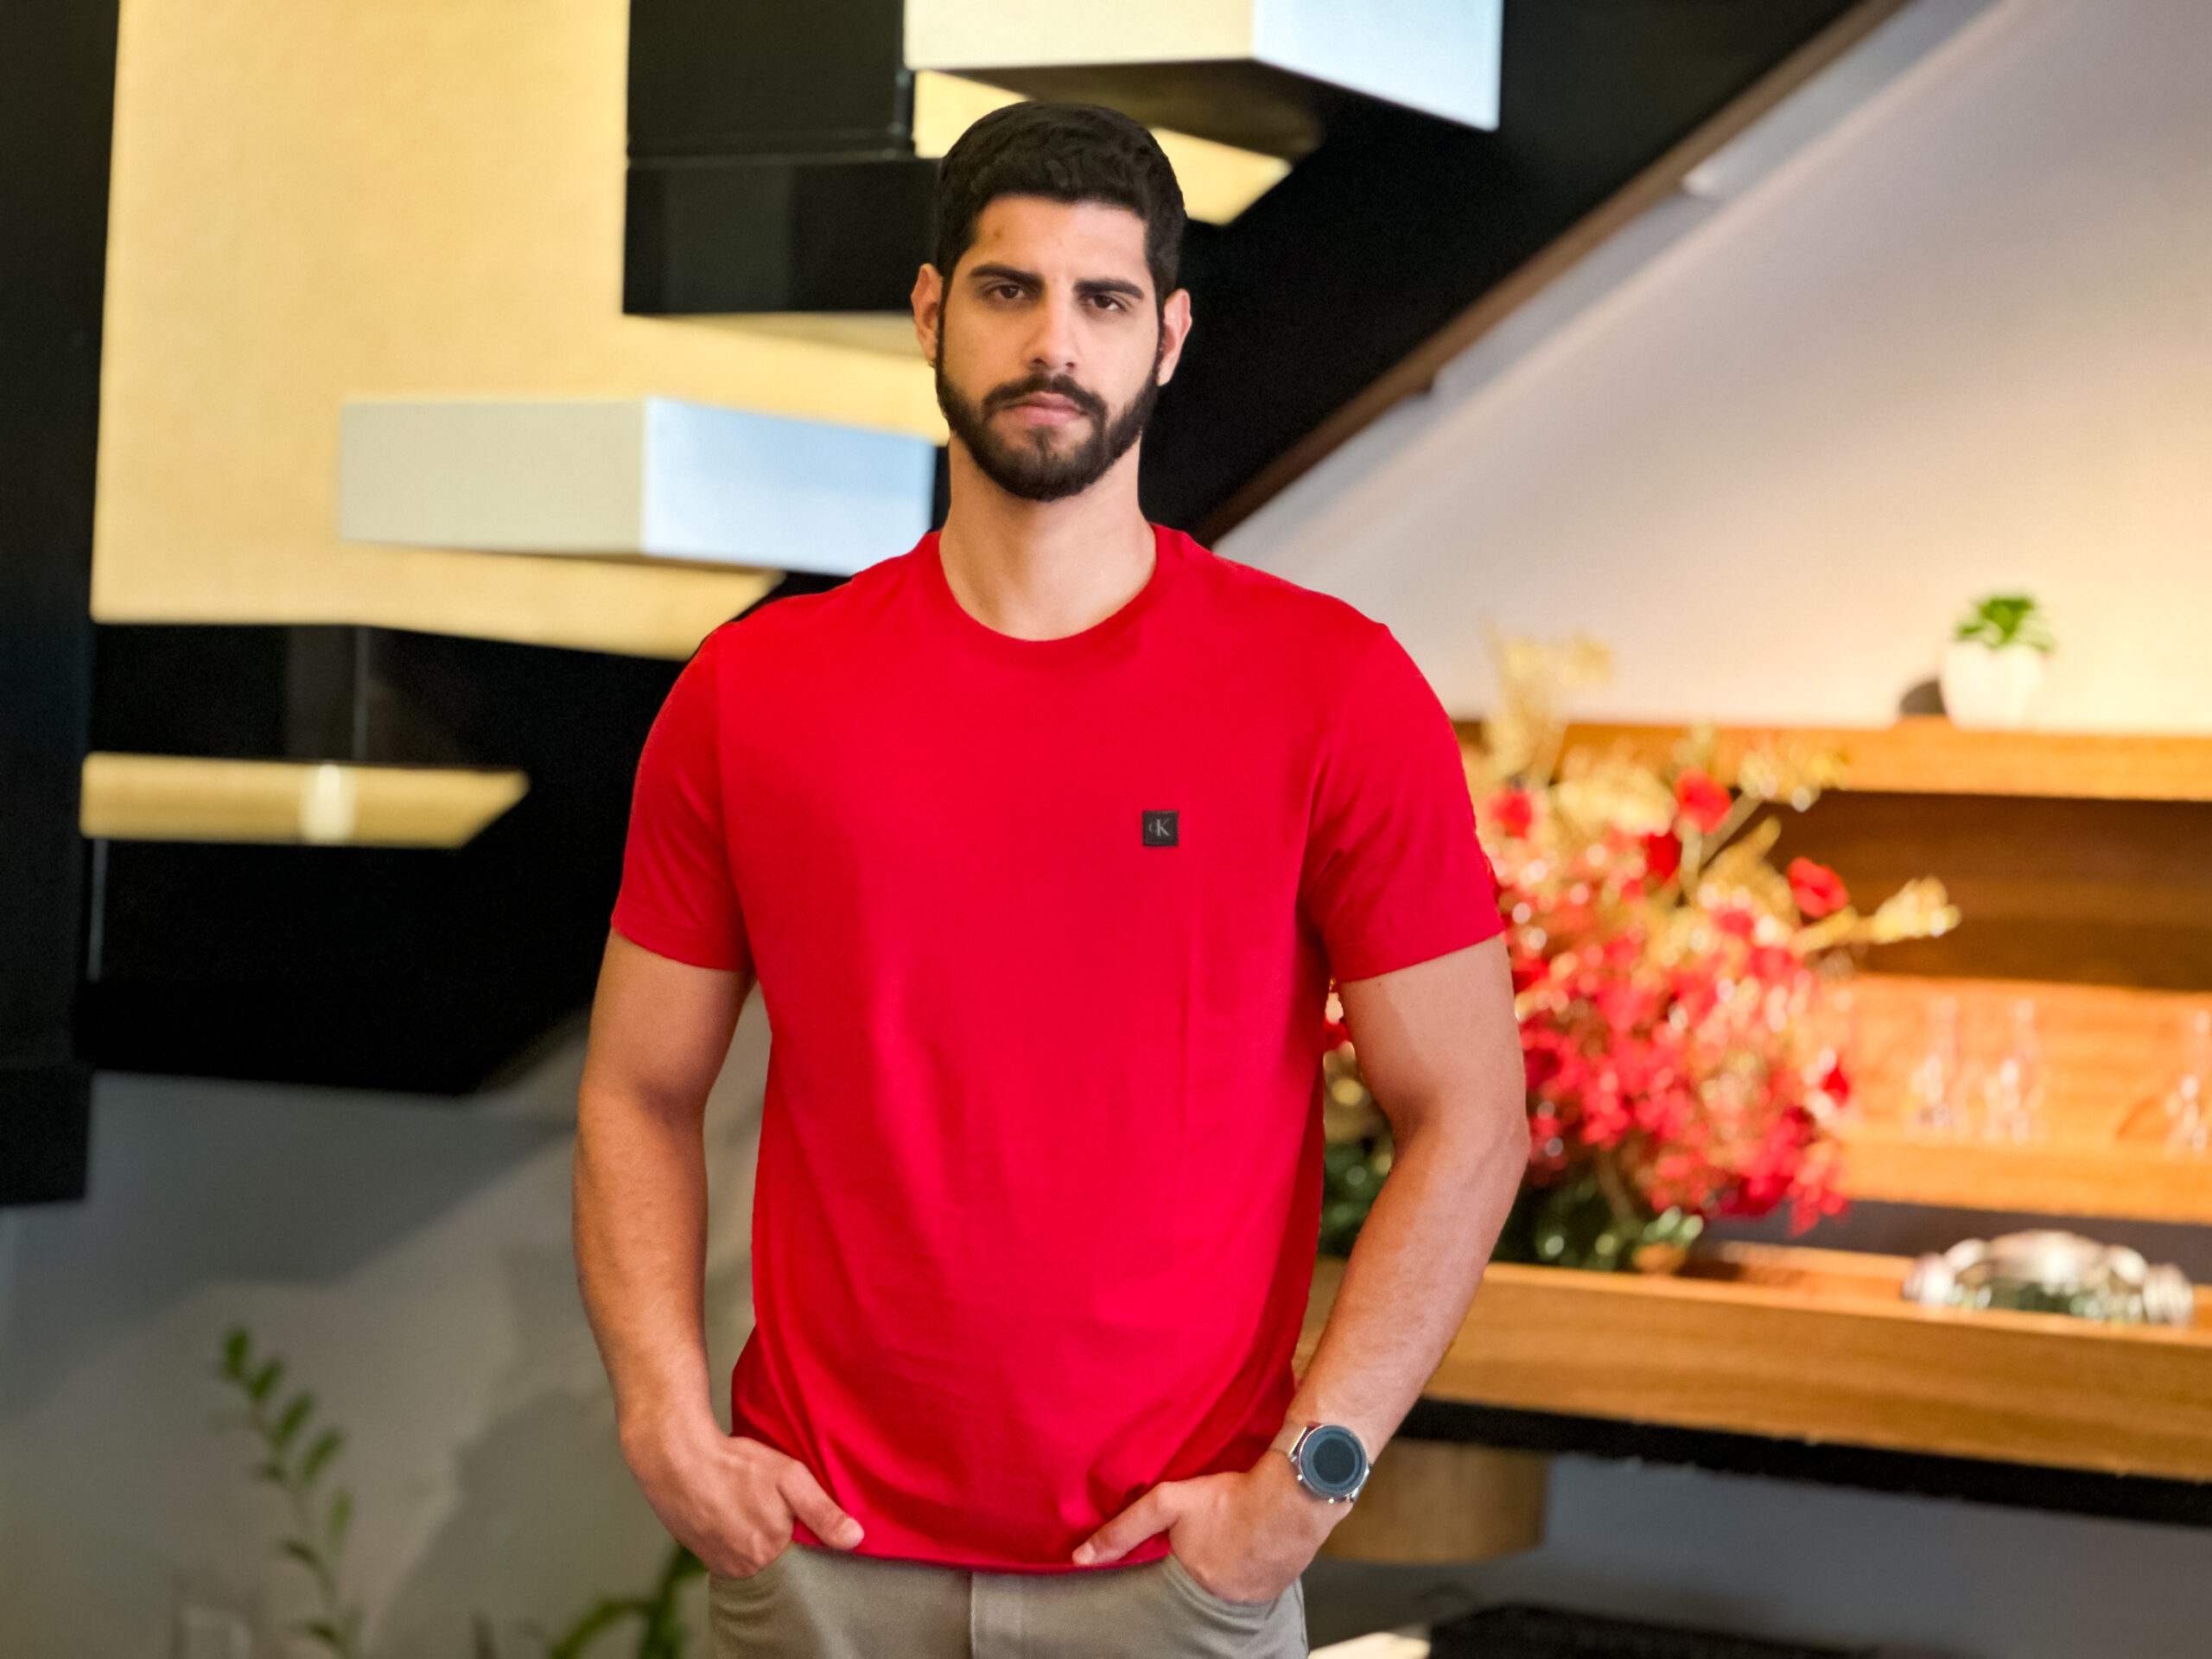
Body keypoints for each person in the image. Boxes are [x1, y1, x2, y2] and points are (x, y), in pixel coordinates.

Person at [574, 101, 1527, 1658]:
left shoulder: (1330, 691)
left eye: (1104, 299)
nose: (1054, 343)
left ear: (1170, 336)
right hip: (819, 1565)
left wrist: (1310, 1483)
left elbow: (1473, 1113)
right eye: (1008, 290)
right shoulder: (752, 695)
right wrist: (665, 1421)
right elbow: (636, 1087)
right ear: (930, 312)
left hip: (1174, 1575)